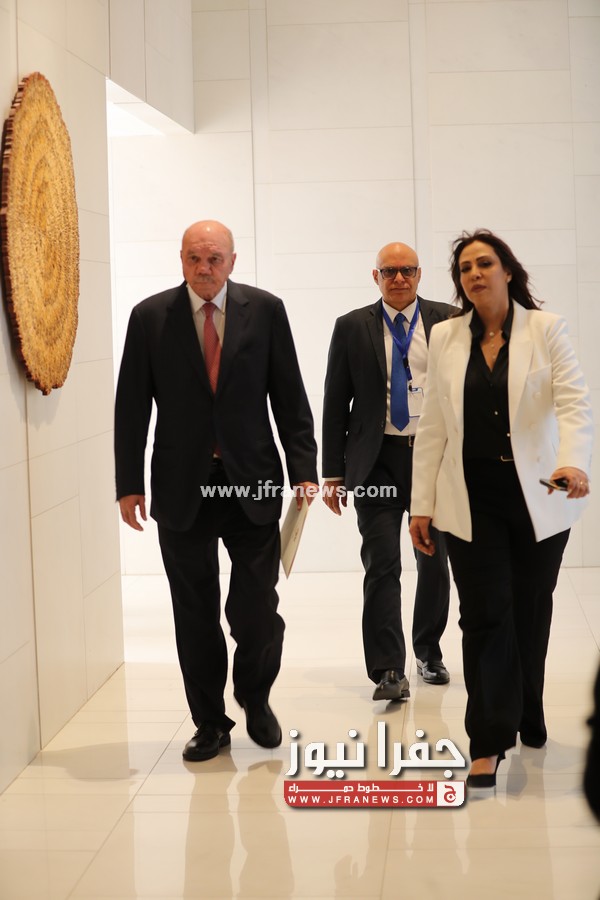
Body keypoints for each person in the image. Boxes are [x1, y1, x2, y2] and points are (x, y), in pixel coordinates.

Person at [114, 220, 318, 762]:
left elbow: (290, 396)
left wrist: (304, 468)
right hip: (181, 487)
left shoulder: (266, 310)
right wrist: (128, 483)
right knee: (194, 612)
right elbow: (131, 407)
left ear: (232, 260)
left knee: (256, 609)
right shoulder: (150, 317)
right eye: (194, 258)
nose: (204, 269)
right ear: (181, 259)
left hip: (251, 481)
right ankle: (210, 722)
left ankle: (255, 694)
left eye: (214, 259)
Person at [409, 228, 593, 788]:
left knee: (530, 611)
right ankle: (488, 740)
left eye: (484, 264)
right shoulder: (445, 336)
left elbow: (573, 403)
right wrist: (421, 505)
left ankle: (527, 709)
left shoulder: (546, 328)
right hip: (471, 499)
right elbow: (433, 426)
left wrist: (573, 462)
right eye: (465, 268)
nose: (475, 274)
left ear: (507, 271)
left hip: (540, 496)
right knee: (485, 614)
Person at [322, 241, 454, 703]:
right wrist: (332, 472)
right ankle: (388, 670)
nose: (399, 278)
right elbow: (335, 401)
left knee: (433, 561)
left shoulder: (448, 321)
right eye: (389, 271)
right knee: (382, 563)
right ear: (375, 277)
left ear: (419, 275)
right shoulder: (351, 326)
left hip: (432, 460)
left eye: (407, 270)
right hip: (375, 460)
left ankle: (428, 651)